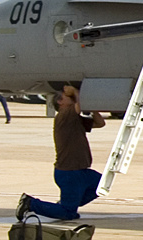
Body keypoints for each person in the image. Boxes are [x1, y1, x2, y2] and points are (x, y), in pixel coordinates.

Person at [17, 85, 106, 221]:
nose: (73, 99)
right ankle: (30, 203)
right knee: (69, 213)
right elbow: (79, 105)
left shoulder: (74, 119)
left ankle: (65, 205)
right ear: (60, 102)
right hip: (69, 172)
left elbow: (100, 123)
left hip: (80, 171)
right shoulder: (64, 115)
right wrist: (74, 92)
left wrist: (92, 107)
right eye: (68, 98)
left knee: (102, 183)